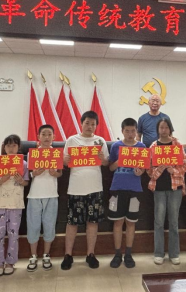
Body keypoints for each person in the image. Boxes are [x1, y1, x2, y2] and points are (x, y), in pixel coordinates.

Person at [62, 111, 109, 270]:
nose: (90, 126)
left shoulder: (100, 141)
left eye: (93, 124)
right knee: (72, 223)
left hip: (95, 188)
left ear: (96, 126)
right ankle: (68, 255)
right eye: (87, 123)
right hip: (76, 188)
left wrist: (103, 159)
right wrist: (65, 160)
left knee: (92, 222)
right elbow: (64, 161)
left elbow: (106, 162)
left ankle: (90, 254)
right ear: (81, 123)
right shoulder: (72, 140)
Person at [148, 118, 186, 265]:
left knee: (174, 222)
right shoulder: (154, 146)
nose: (164, 130)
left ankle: (174, 253)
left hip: (175, 188)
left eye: (166, 127)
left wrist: (174, 171)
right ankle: (158, 253)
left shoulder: (177, 145)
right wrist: (159, 169)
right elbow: (149, 169)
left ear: (170, 129)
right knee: (159, 222)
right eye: (161, 128)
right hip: (159, 188)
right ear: (158, 129)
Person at [107, 118, 146, 269]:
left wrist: (140, 171)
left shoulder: (141, 147)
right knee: (117, 222)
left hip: (135, 190)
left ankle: (128, 254)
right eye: (127, 131)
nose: (130, 134)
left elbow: (143, 169)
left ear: (136, 132)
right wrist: (118, 162)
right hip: (117, 189)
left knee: (131, 223)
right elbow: (110, 168)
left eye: (133, 131)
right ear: (122, 131)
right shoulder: (116, 146)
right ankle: (117, 254)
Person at [0, 134, 29, 276]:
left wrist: (21, 181)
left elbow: (26, 182)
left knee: (13, 234)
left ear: (18, 147)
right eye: (8, 145)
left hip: (16, 204)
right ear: (4, 147)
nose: (11, 148)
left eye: (14, 145)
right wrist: (1, 180)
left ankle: (10, 262)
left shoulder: (23, 163)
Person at [26, 125, 62, 272]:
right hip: (35, 194)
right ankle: (33, 255)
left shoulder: (56, 153)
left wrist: (55, 173)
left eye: (49, 134)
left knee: (49, 225)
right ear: (38, 137)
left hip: (52, 194)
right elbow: (29, 174)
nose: (47, 137)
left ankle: (46, 255)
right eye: (44, 134)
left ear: (54, 137)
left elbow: (60, 173)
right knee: (33, 226)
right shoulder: (33, 153)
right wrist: (34, 173)